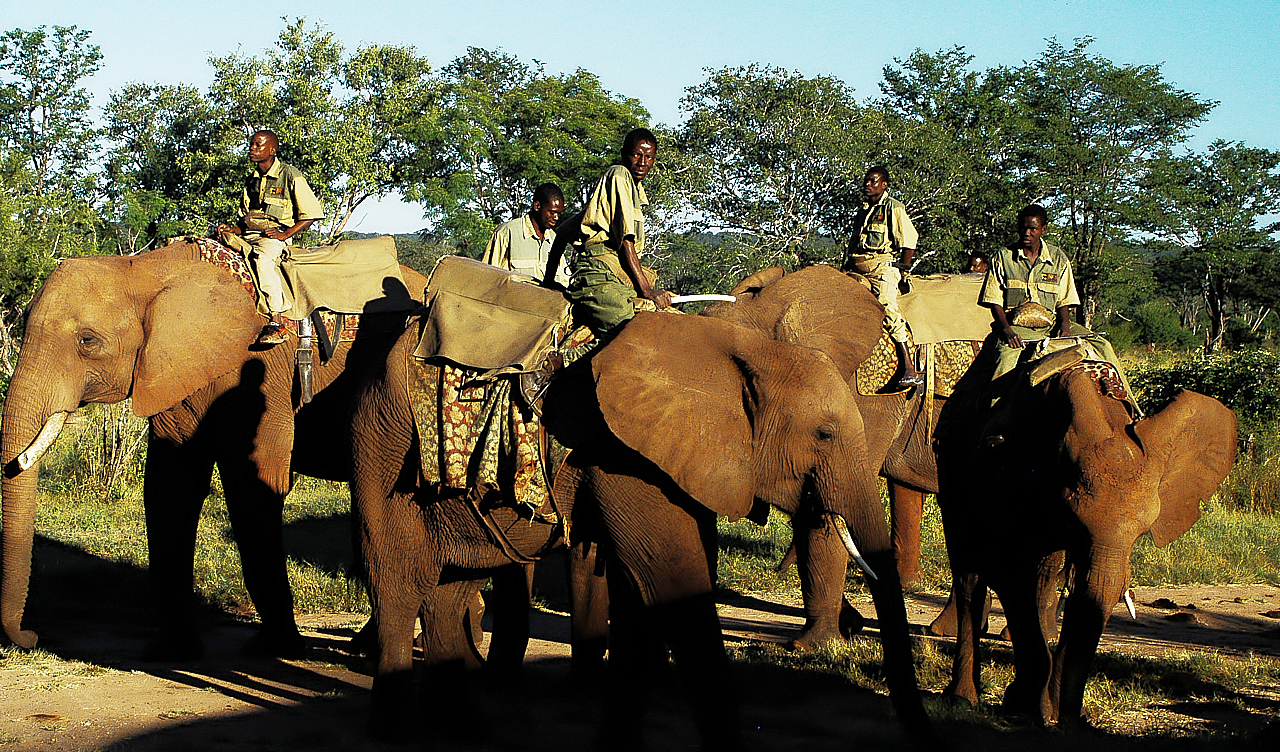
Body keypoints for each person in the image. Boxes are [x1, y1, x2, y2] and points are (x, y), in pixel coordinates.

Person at [978, 204, 1127, 390]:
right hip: (1016, 326)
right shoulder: (1003, 257)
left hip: (1051, 323)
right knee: (1005, 359)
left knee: (1102, 345)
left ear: (1043, 229)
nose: (1027, 232)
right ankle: (995, 412)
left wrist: (1064, 326)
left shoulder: (1058, 259)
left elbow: (1064, 300)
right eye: (1023, 227)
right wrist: (1007, 331)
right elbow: (994, 301)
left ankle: (1131, 406)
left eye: (1033, 228)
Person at [557, 128, 671, 337]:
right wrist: (647, 290)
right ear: (624, 154)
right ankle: (561, 361)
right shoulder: (619, 175)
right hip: (598, 273)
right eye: (636, 154)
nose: (642, 162)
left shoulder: (634, 190)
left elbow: (564, 230)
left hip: (617, 276)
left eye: (649, 157)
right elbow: (626, 241)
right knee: (630, 330)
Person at [218, 130, 325, 345]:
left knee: (263, 261)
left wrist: (285, 234)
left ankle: (276, 321)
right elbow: (245, 220)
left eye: (258, 145)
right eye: (251, 144)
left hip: (273, 237)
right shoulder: (251, 181)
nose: (252, 149)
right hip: (249, 234)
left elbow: (312, 214)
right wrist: (232, 229)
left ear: (272, 150)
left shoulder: (289, 175)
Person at [842, 165, 922, 388]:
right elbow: (853, 243)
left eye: (874, 181)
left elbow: (908, 241)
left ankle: (908, 366)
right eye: (866, 181)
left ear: (884, 184)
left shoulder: (893, 208)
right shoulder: (863, 211)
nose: (868, 185)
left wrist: (902, 269)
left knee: (886, 306)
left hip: (880, 267)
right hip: (858, 266)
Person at [482, 183, 568, 286]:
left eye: (559, 213)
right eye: (552, 212)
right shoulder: (507, 233)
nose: (556, 217)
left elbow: (565, 281)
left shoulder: (555, 240)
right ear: (537, 206)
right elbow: (487, 278)